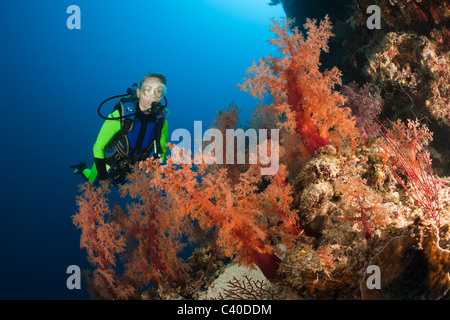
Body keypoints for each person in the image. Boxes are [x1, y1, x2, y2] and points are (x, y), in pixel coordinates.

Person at [71, 73, 169, 188]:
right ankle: (83, 168)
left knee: (115, 183)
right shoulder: (120, 116)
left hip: (131, 164)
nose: (152, 95)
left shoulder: (161, 121)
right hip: (109, 159)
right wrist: (102, 176)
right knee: (93, 184)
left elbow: (162, 149)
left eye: (158, 91)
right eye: (148, 89)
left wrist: (157, 169)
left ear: (161, 96)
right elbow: (98, 146)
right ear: (138, 93)